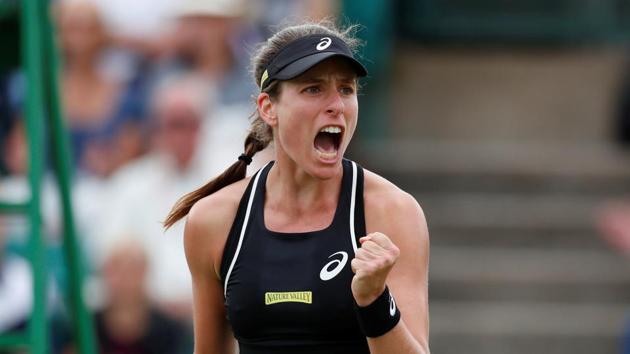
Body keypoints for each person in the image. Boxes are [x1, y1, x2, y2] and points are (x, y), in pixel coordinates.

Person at [164, 21, 430, 354]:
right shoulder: (214, 219)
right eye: (313, 89)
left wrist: (374, 301)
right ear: (268, 107)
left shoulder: (393, 211)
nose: (336, 104)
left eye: (346, 89)